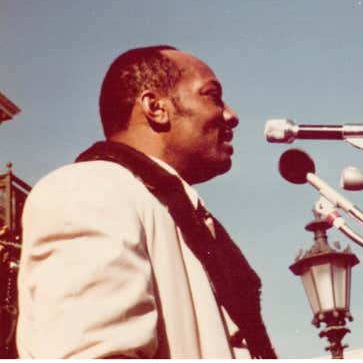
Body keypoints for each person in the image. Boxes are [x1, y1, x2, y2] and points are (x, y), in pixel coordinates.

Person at [16, 46, 276, 358]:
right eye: (212, 95)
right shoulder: (90, 189)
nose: (231, 116)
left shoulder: (166, 211)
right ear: (156, 107)